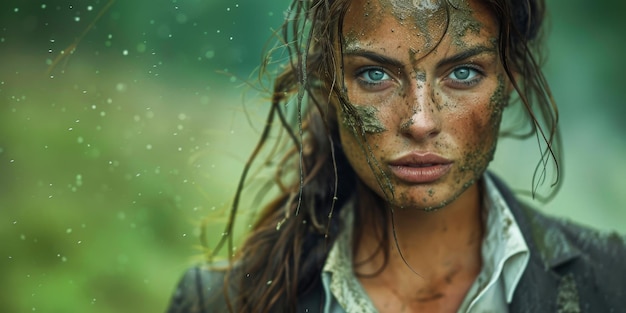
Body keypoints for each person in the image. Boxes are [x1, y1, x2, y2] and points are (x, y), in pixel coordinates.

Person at [166, 0, 626, 312]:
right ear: (328, 86)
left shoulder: (611, 282)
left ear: (512, 83)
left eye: (463, 72)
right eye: (374, 75)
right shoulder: (223, 302)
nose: (420, 120)